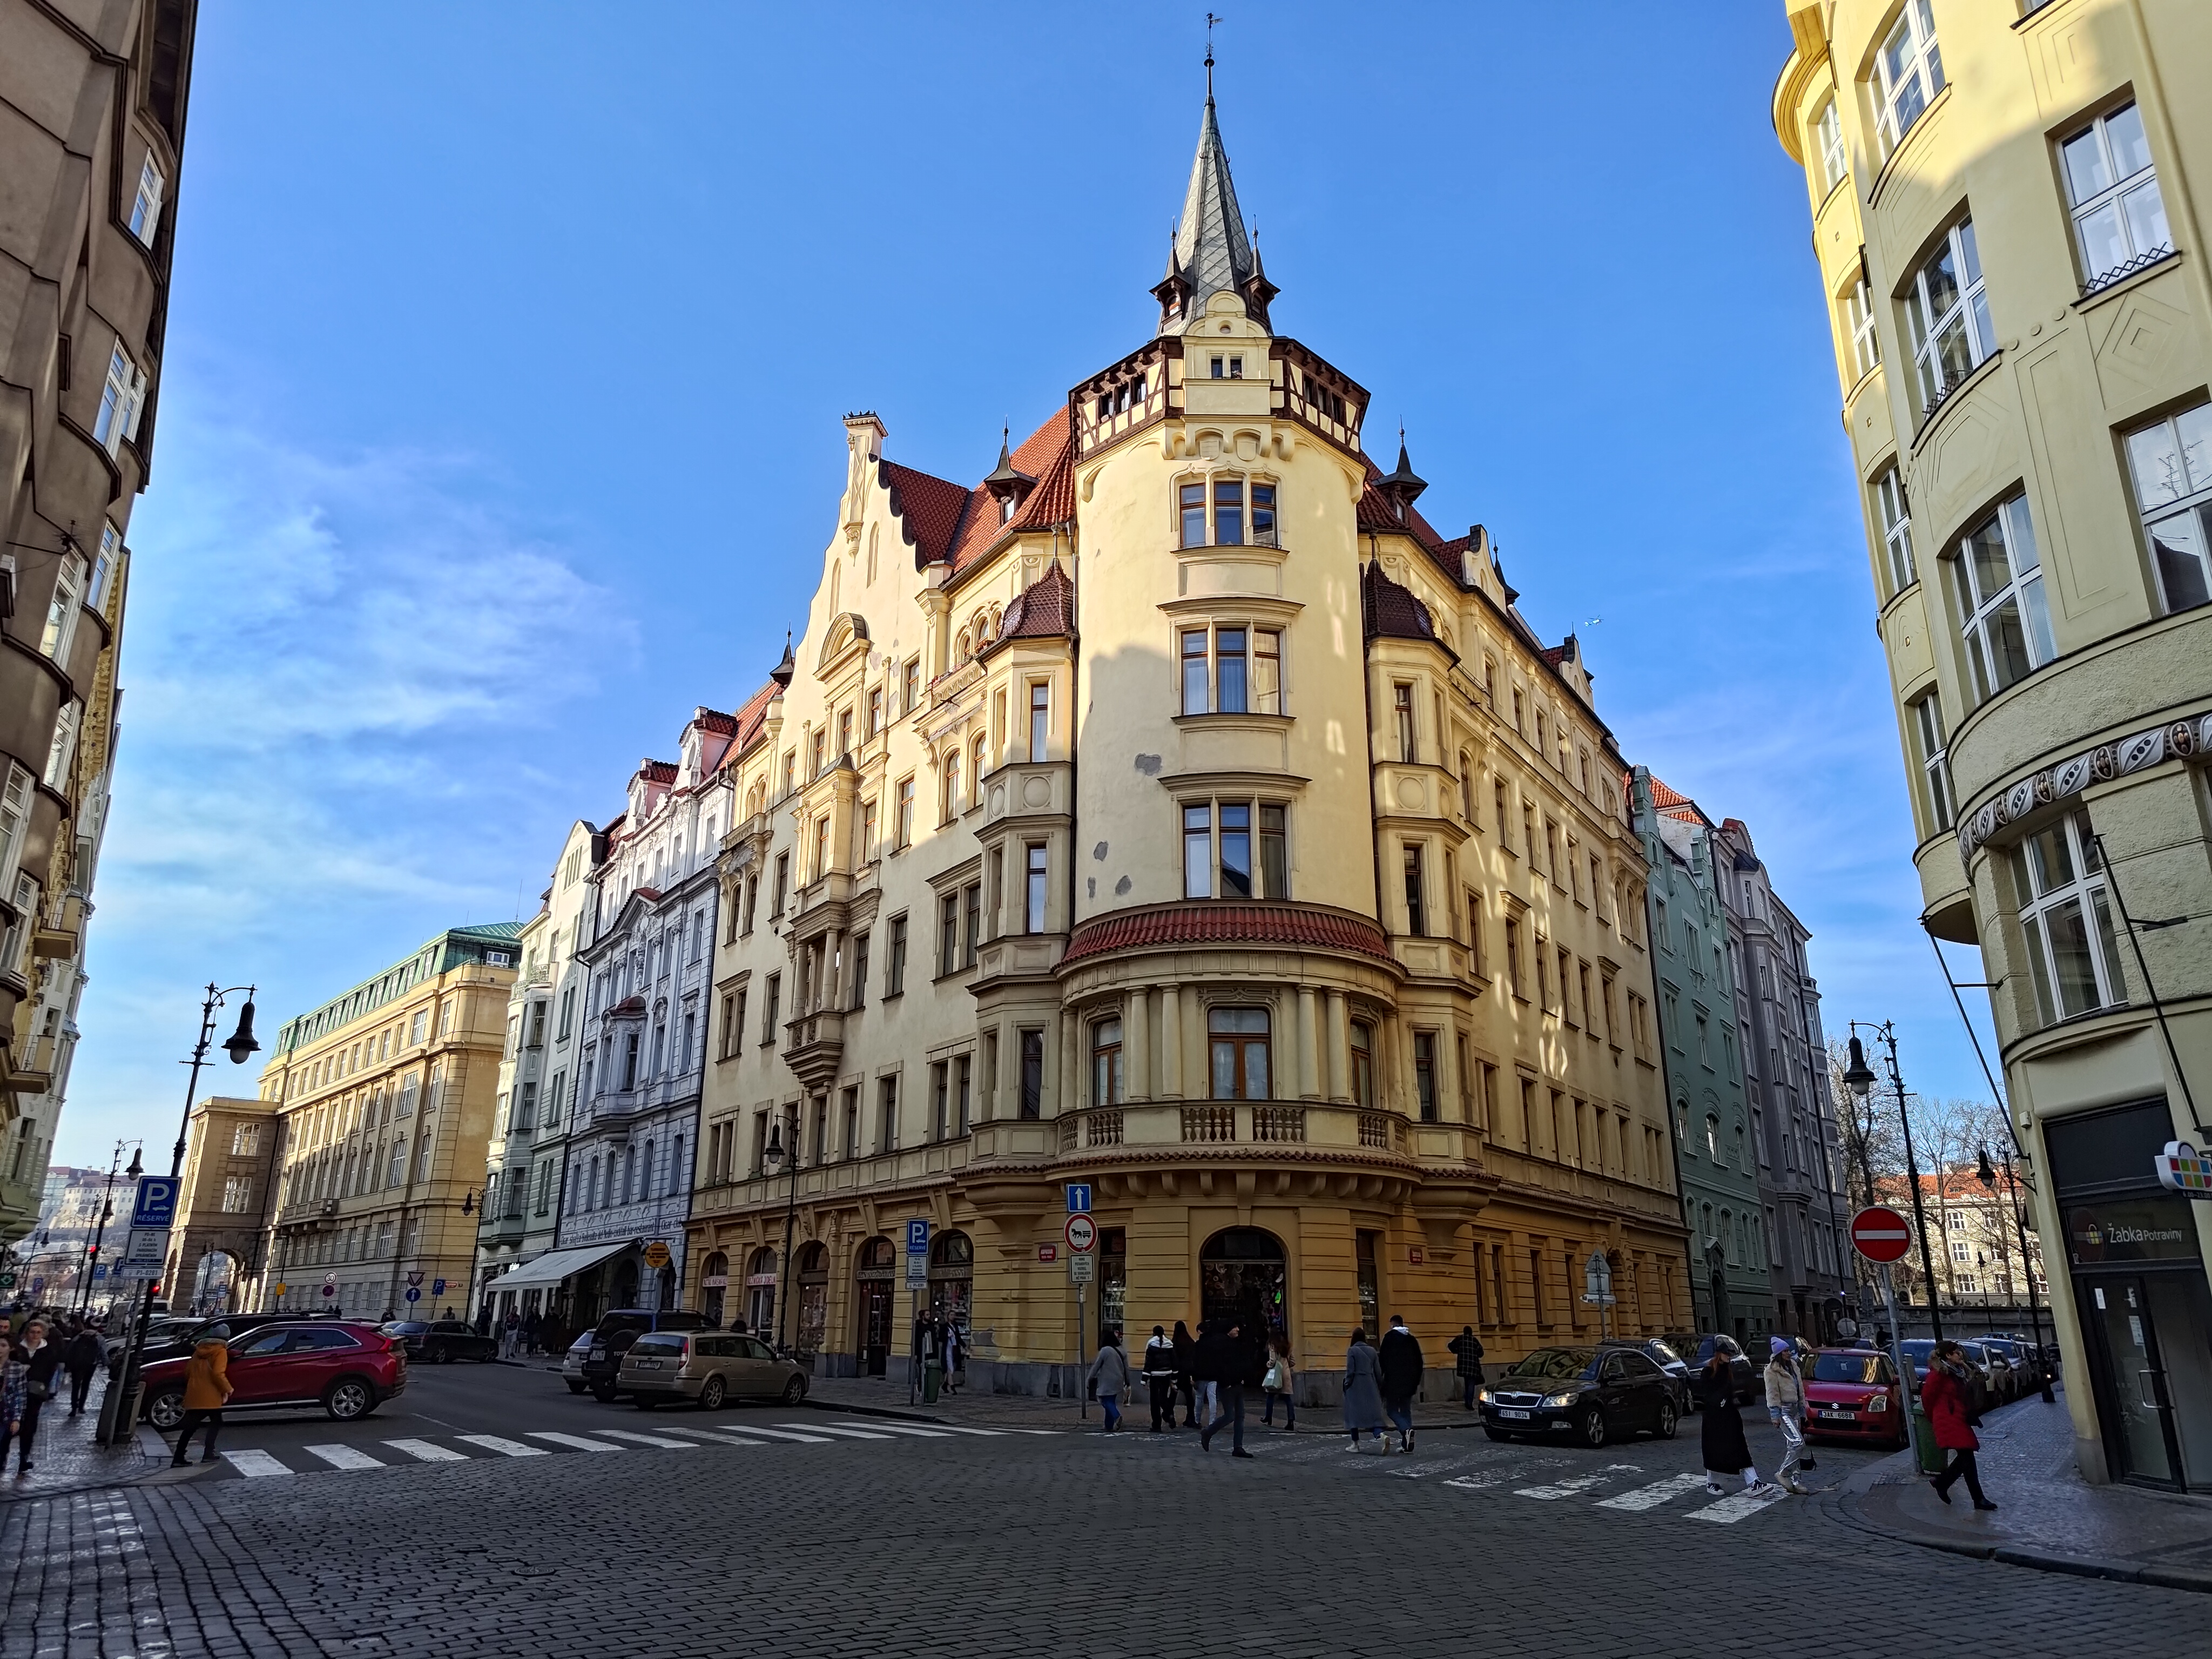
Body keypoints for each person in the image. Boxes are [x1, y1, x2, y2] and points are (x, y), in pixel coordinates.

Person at [1923, 1340, 1996, 1510]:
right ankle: (1976, 1498)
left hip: (1957, 1417)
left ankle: (1943, 1483)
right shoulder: (1939, 1374)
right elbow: (1927, 1397)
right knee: (1967, 1455)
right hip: (1948, 1418)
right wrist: (1935, 1417)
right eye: (1956, 1352)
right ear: (1948, 1355)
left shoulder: (1957, 1372)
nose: (1960, 1354)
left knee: (1966, 1456)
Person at [1700, 1352, 1769, 1496]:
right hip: (1714, 1419)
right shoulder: (1709, 1371)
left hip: (1729, 1418)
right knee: (1714, 1450)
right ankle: (1712, 1482)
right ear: (1719, 1354)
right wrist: (1718, 1401)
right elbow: (1705, 1394)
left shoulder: (1728, 1371)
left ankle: (1754, 1482)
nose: (1729, 1357)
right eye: (1726, 1354)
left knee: (1740, 1448)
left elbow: (1729, 1394)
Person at [171, 1323, 233, 1467]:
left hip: (195, 1393)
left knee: (191, 1427)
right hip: (211, 1395)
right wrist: (228, 1389)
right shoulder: (220, 1351)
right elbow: (218, 1373)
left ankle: (179, 1456)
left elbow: (188, 1371)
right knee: (216, 1422)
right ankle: (208, 1453)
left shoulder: (199, 1350)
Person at [3, 1318, 58, 1476]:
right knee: (9, 1424)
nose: (35, 1335)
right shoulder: (17, 1349)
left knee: (29, 1427)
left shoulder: (48, 1351)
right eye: (32, 1332)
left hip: (35, 1394)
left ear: (43, 1334)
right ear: (27, 1333)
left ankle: (24, 1458)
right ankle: (3, 1457)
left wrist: (41, 1385)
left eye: (38, 1332)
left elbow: (50, 1371)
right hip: (14, 1392)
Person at [1200, 1320, 1257, 1458]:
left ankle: (1238, 1447)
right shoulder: (1220, 1344)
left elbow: (1240, 1363)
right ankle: (1208, 1432)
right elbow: (1218, 1366)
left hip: (1237, 1383)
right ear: (1228, 1329)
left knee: (1240, 1416)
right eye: (1235, 1327)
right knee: (1230, 1415)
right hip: (1228, 1385)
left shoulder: (1235, 1343)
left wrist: (1243, 1377)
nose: (1238, 1330)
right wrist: (1225, 1383)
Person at [1764, 1336, 1809, 1494]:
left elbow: (1800, 1390)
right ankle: (1783, 1473)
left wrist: (1802, 1410)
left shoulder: (1793, 1366)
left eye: (1789, 1350)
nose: (1789, 1353)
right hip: (1784, 1411)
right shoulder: (1771, 1371)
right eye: (1785, 1351)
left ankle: (1796, 1482)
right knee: (1798, 1443)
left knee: (1792, 1448)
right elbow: (1772, 1394)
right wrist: (1775, 1415)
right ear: (1779, 1354)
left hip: (1795, 1410)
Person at [1377, 1314, 1424, 1453]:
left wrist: (1381, 1381)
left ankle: (1406, 1430)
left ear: (1393, 1324)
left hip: (1393, 1381)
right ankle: (1406, 1444)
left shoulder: (1389, 1339)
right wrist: (1416, 1380)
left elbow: (1382, 1361)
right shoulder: (1412, 1340)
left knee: (1391, 1410)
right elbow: (1419, 1362)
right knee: (1405, 1410)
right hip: (1410, 1382)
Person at [1341, 1328, 1388, 1452]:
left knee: (1353, 1415)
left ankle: (1355, 1445)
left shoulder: (1352, 1350)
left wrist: (1347, 1384)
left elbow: (1350, 1371)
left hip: (1355, 1386)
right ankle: (1381, 1435)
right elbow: (1378, 1372)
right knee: (1372, 1416)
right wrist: (1380, 1387)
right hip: (1370, 1384)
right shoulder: (1372, 1351)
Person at [1087, 1326, 1129, 1433]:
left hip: (1107, 1380)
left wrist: (1089, 1379)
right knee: (1110, 1400)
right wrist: (1128, 1381)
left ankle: (1117, 1416)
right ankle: (1108, 1425)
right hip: (1119, 1379)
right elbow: (1126, 1368)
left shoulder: (1105, 1351)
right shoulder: (1122, 1351)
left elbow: (1096, 1366)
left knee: (1105, 1400)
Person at [1142, 1325, 1179, 1433]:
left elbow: (1148, 1363)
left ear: (1154, 1332)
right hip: (1166, 1375)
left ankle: (1156, 1425)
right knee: (1163, 1397)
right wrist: (1174, 1379)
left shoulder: (1151, 1344)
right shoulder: (1169, 1344)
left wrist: (1144, 1380)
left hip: (1155, 1376)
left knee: (1154, 1401)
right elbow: (1174, 1362)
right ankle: (1169, 1414)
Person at [64, 1321, 103, 1416]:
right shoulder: (100, 1338)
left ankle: (74, 1408)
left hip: (77, 1364)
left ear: (87, 1326)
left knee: (76, 1386)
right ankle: (81, 1407)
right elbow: (103, 1352)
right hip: (91, 1365)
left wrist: (68, 1363)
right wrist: (106, 1363)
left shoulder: (78, 1337)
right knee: (86, 1385)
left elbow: (69, 1350)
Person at [1189, 1319, 1222, 1431]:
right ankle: (1212, 1422)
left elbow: (1195, 1362)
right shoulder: (1215, 1344)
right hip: (1213, 1375)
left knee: (1199, 1398)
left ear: (1200, 1331)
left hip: (1201, 1375)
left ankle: (1197, 1420)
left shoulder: (1198, 1345)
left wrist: (1193, 1377)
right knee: (1212, 1398)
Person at [1261, 1333, 1296, 1430]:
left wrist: (1268, 1365)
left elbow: (1272, 1360)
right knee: (1288, 1398)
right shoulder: (1288, 1345)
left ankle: (1268, 1417)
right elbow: (1293, 1361)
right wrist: (1286, 1366)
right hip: (1286, 1374)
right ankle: (1291, 1421)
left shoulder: (1273, 1344)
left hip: (1276, 1374)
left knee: (1270, 1396)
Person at [1448, 1325, 1486, 1409]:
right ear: (1471, 1332)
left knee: (1467, 1384)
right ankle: (1469, 1403)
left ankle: (1467, 1402)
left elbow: (1450, 1346)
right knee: (1471, 1385)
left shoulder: (1460, 1339)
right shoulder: (1475, 1341)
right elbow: (1481, 1353)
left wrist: (1457, 1351)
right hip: (1473, 1367)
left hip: (1464, 1366)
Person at [1171, 1319, 1197, 1428]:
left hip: (1177, 1372)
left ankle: (1170, 1416)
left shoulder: (1174, 1343)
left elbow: (1172, 1359)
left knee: (1173, 1396)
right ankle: (1191, 1418)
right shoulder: (1190, 1342)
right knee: (1189, 1397)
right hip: (1187, 1373)